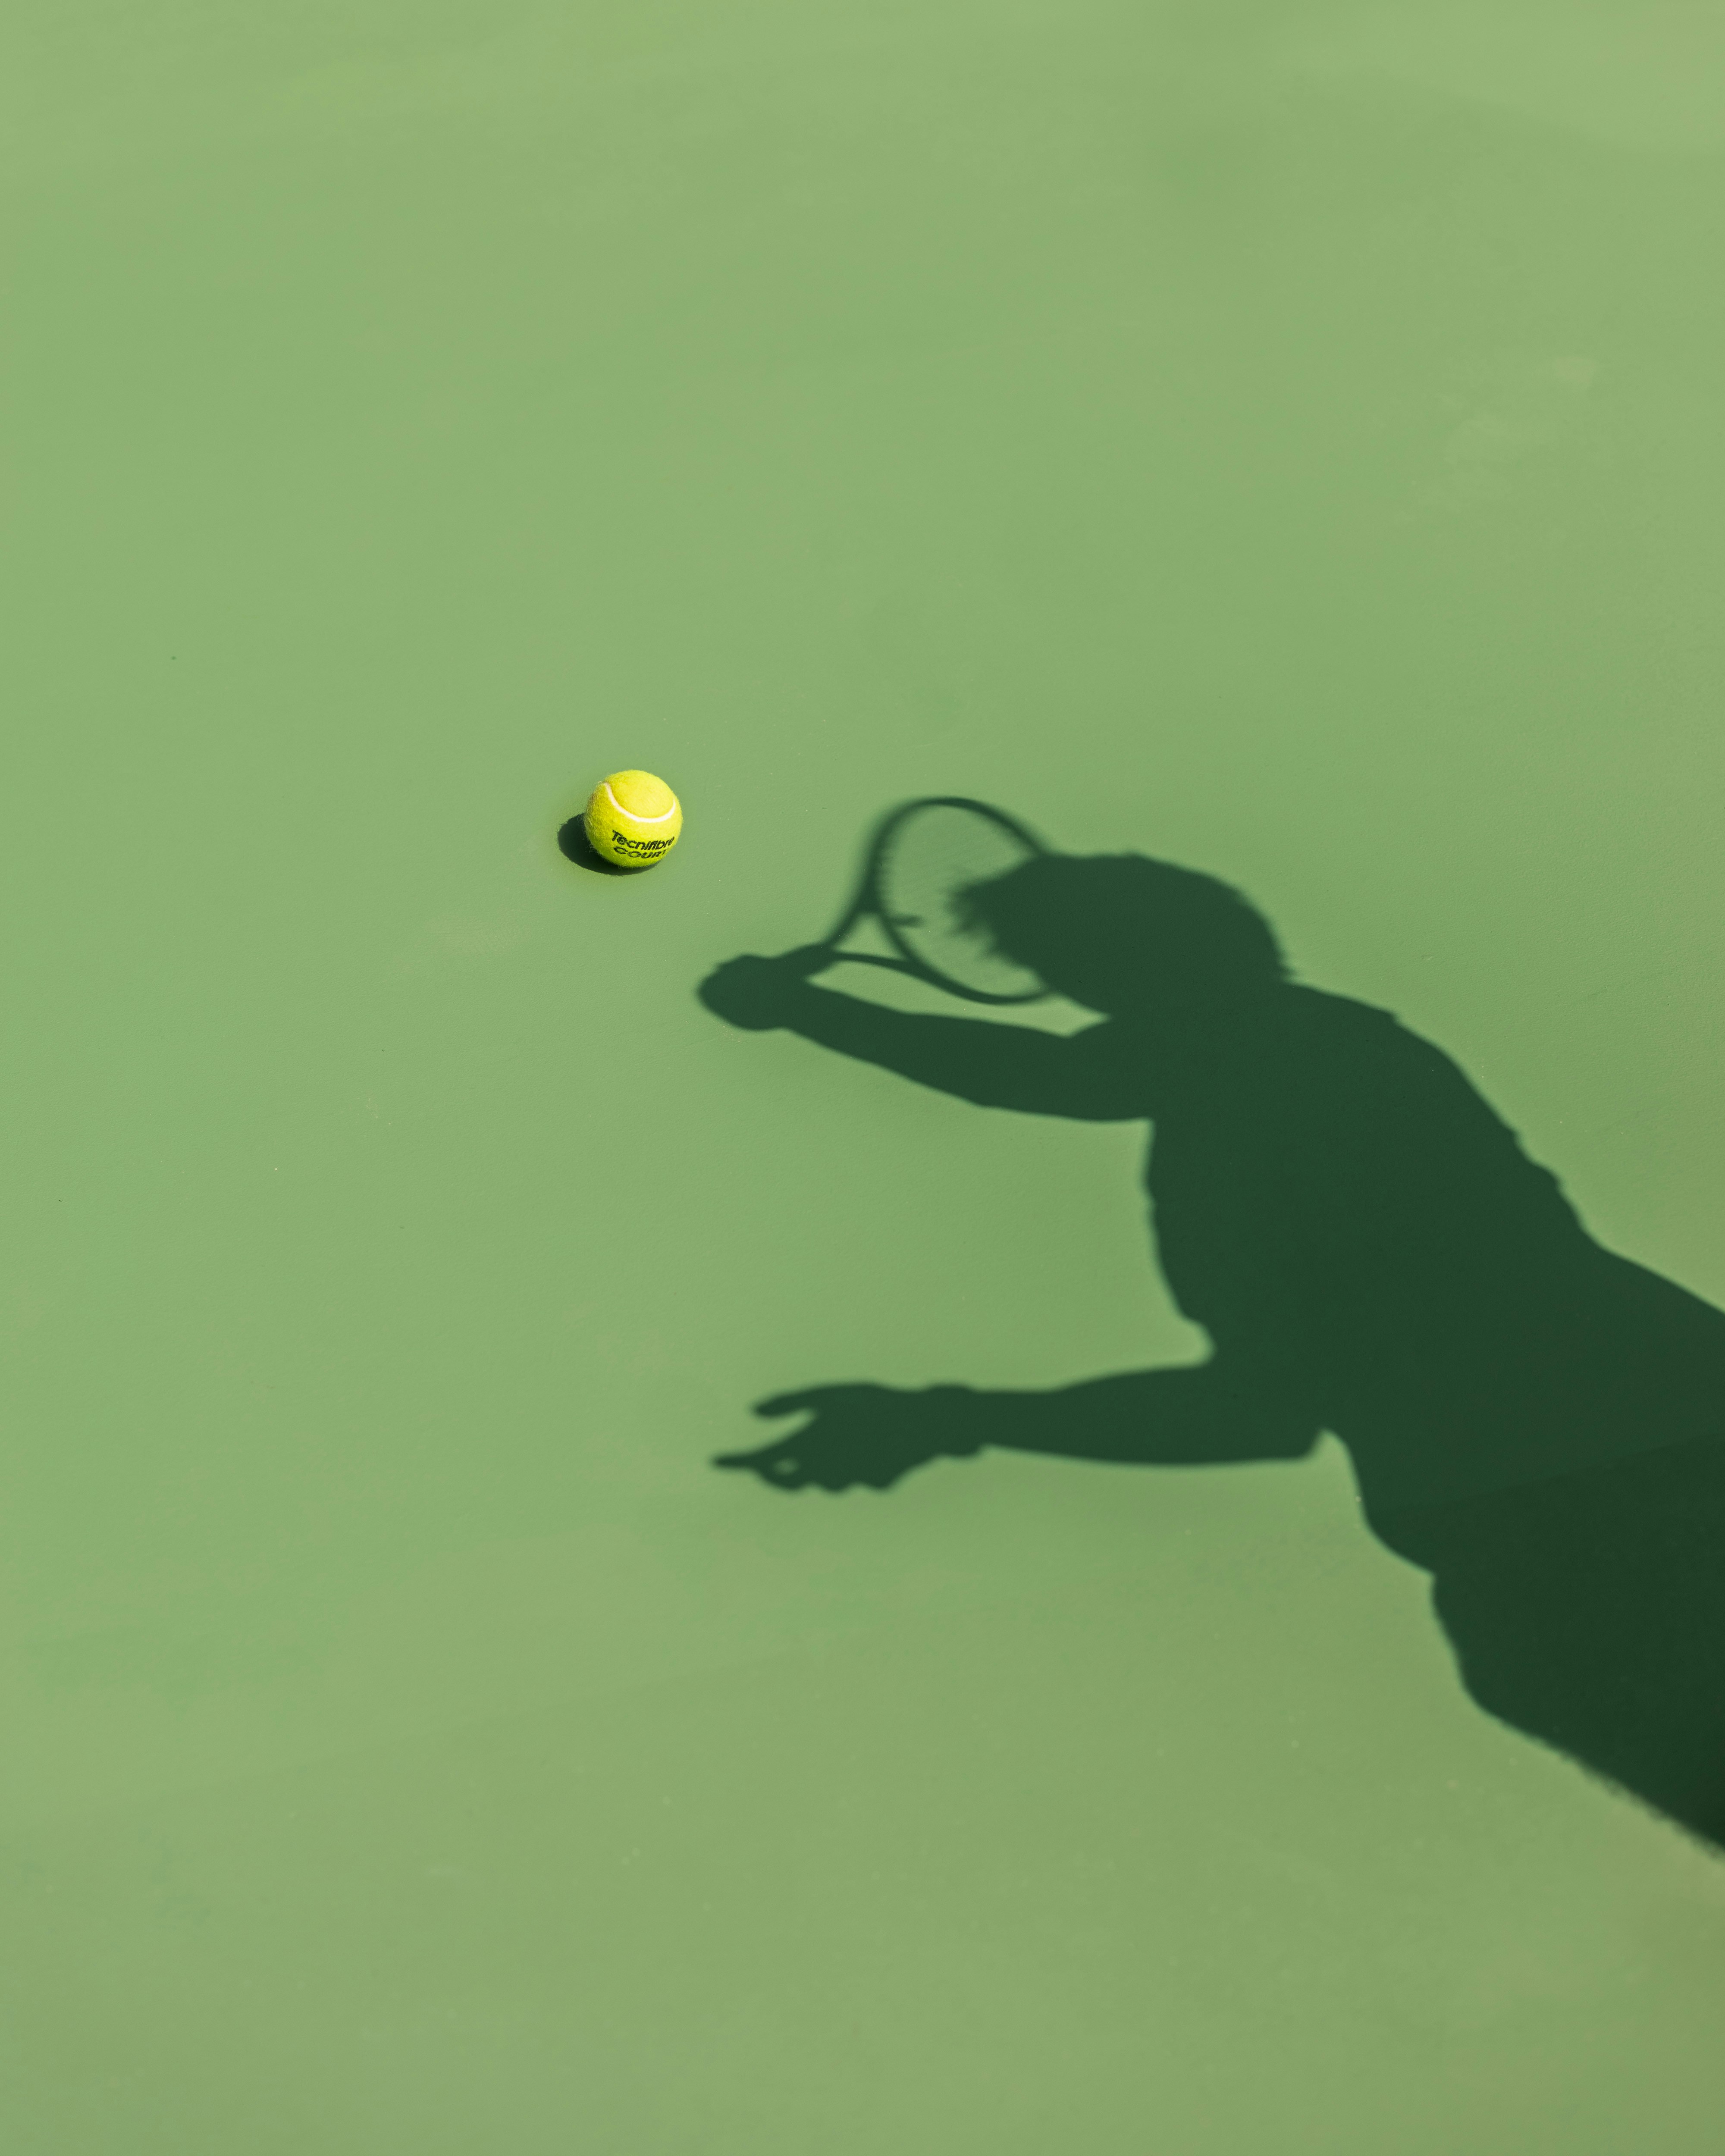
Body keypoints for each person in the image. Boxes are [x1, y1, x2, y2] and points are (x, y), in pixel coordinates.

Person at [700, 850, 1725, 1845]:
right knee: (1531, 1668)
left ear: (1126, 981)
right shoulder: (1308, 1070)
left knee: (1541, 1669)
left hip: (1590, 1509)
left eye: (1080, 978)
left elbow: (1254, 1406)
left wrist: (946, 1417)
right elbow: (1050, 1079)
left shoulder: (1278, 1081)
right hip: (1594, 1488)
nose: (1084, 1013)